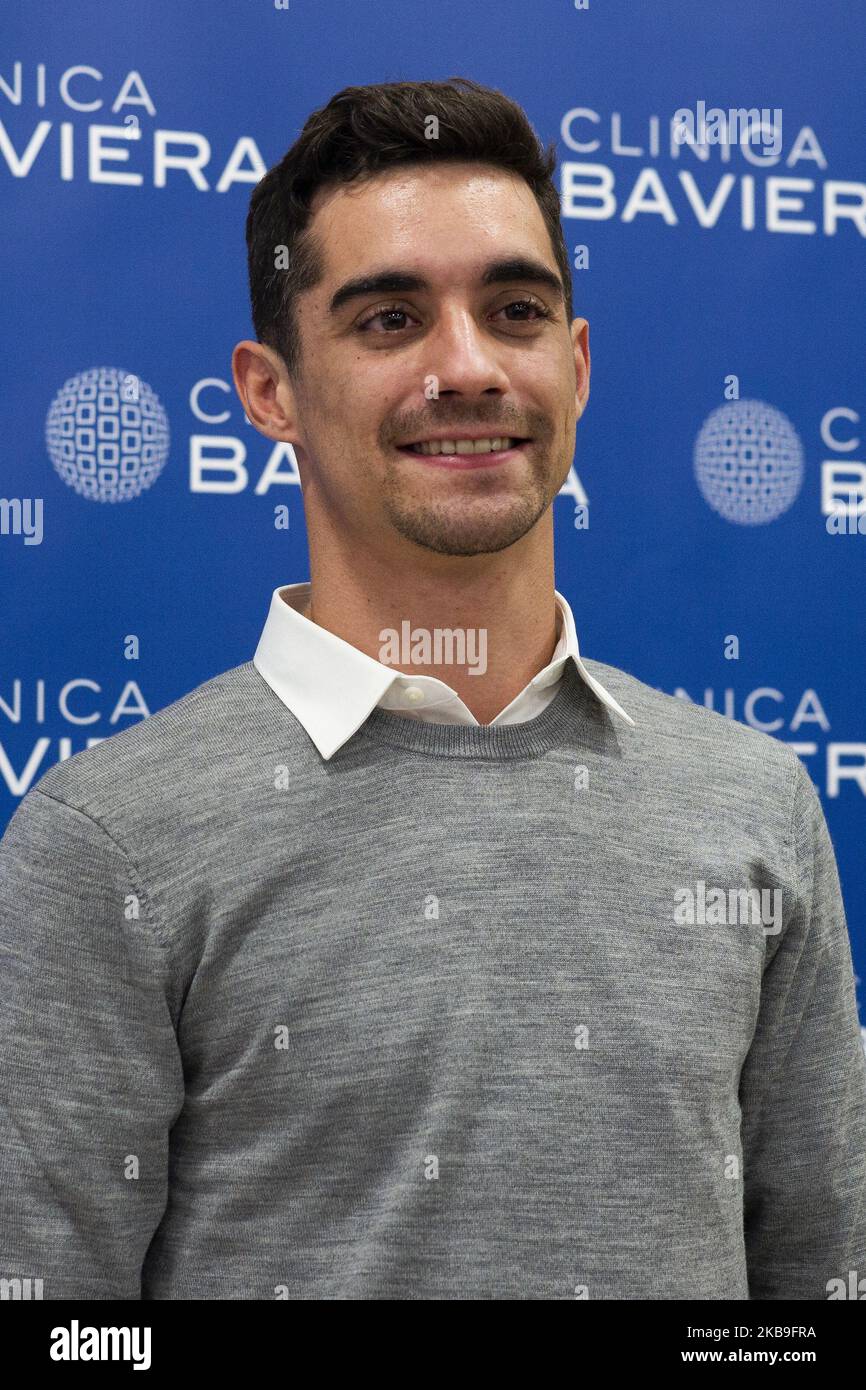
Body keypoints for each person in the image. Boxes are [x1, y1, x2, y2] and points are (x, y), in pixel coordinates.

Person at [1, 78, 864, 1301]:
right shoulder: (107, 847)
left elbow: (818, 1288)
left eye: (513, 309)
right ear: (270, 392)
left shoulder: (755, 804)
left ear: (571, 366)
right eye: (389, 320)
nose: (465, 368)